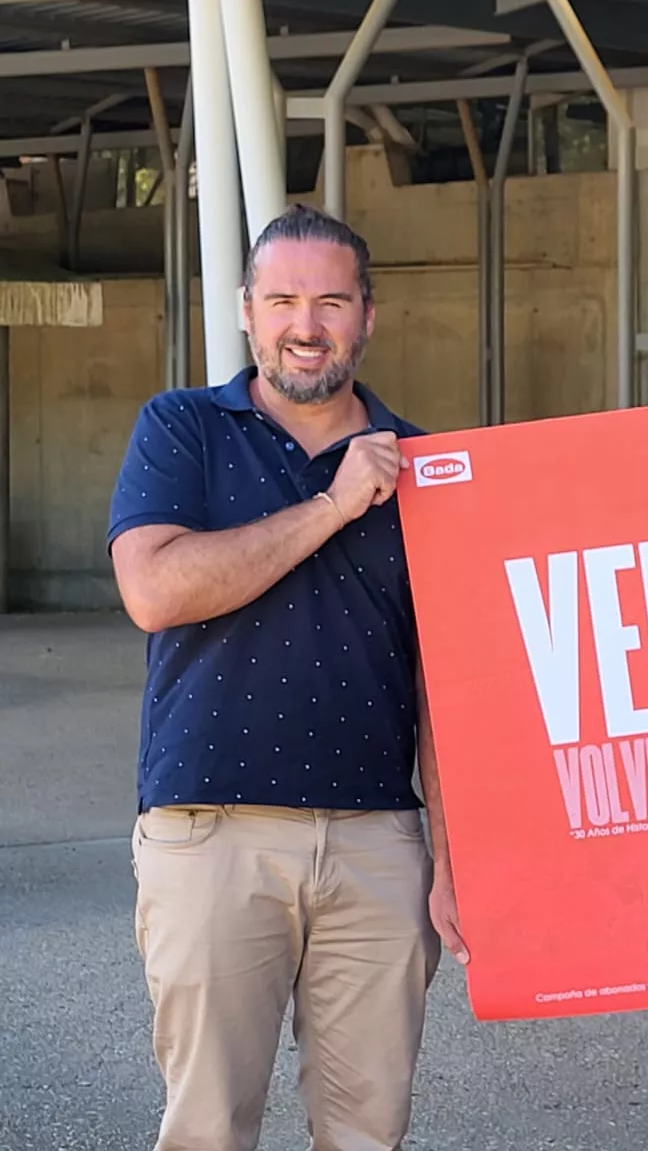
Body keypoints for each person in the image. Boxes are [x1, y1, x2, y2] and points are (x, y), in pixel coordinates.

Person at [107, 203, 460, 1151]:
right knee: (208, 1130)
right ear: (246, 311)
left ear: (368, 317)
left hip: (378, 849)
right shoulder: (182, 427)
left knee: (366, 1132)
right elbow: (155, 589)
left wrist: (454, 861)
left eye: (332, 301)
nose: (307, 324)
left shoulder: (425, 465)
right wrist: (335, 503)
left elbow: (446, 687)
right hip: (211, 836)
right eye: (284, 300)